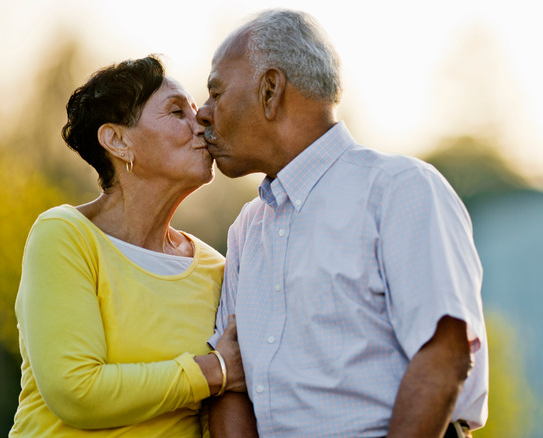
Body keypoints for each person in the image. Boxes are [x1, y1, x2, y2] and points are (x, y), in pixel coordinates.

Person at [199, 9, 488, 438]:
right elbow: (232, 385)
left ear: (270, 91)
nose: (202, 113)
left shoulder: (400, 189)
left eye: (216, 92)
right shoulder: (247, 228)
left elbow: (443, 357)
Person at [9, 55, 249, 437]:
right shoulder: (65, 236)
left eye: (195, 111)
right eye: (176, 112)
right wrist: (214, 371)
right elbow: (77, 392)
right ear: (117, 140)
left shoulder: (217, 269)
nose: (202, 122)